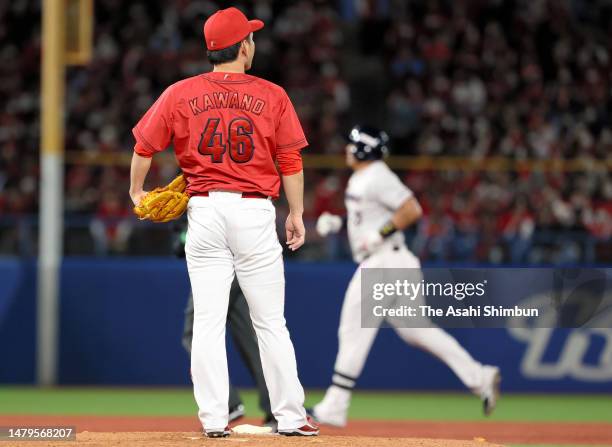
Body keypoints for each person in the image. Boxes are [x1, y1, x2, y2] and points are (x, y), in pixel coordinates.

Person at [129, 7, 318, 437]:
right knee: (270, 322)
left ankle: (215, 420)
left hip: (205, 212)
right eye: (251, 37)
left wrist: (137, 192)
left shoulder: (180, 93)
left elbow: (143, 145)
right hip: (253, 211)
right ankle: (290, 417)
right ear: (245, 46)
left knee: (208, 322)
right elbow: (289, 159)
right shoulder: (272, 94)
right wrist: (297, 214)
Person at [311, 125, 501, 427]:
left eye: (353, 144)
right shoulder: (365, 177)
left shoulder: (377, 174)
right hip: (394, 261)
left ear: (365, 149)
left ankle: (336, 404)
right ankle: (479, 376)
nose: (347, 148)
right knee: (417, 330)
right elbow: (370, 216)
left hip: (385, 262)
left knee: (353, 329)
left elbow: (411, 209)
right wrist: (340, 223)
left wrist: (381, 233)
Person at [173, 225, 275, 428]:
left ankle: (227, 404)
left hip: (217, 267)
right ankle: (277, 409)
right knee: (251, 341)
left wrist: (181, 238)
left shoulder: (201, 196)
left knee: (195, 333)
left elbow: (187, 240)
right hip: (243, 264)